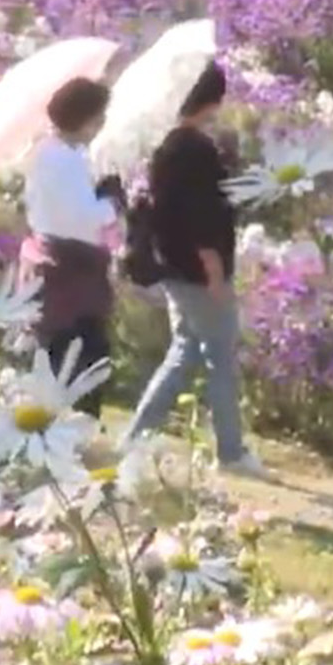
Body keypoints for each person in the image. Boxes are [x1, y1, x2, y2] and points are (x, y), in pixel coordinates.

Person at [122, 62, 270, 480]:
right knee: (220, 359)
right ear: (211, 99)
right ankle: (231, 452)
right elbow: (202, 220)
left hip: (173, 268)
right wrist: (216, 275)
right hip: (198, 272)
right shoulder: (197, 152)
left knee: (183, 354)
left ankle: (136, 436)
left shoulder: (166, 148)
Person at [23, 77, 124, 417]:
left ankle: (61, 418)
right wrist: (112, 202)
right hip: (71, 264)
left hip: (56, 259)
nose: (101, 125)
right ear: (83, 117)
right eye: (98, 117)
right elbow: (82, 218)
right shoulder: (62, 159)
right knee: (82, 353)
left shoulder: (50, 152)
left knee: (62, 347)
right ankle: (74, 423)